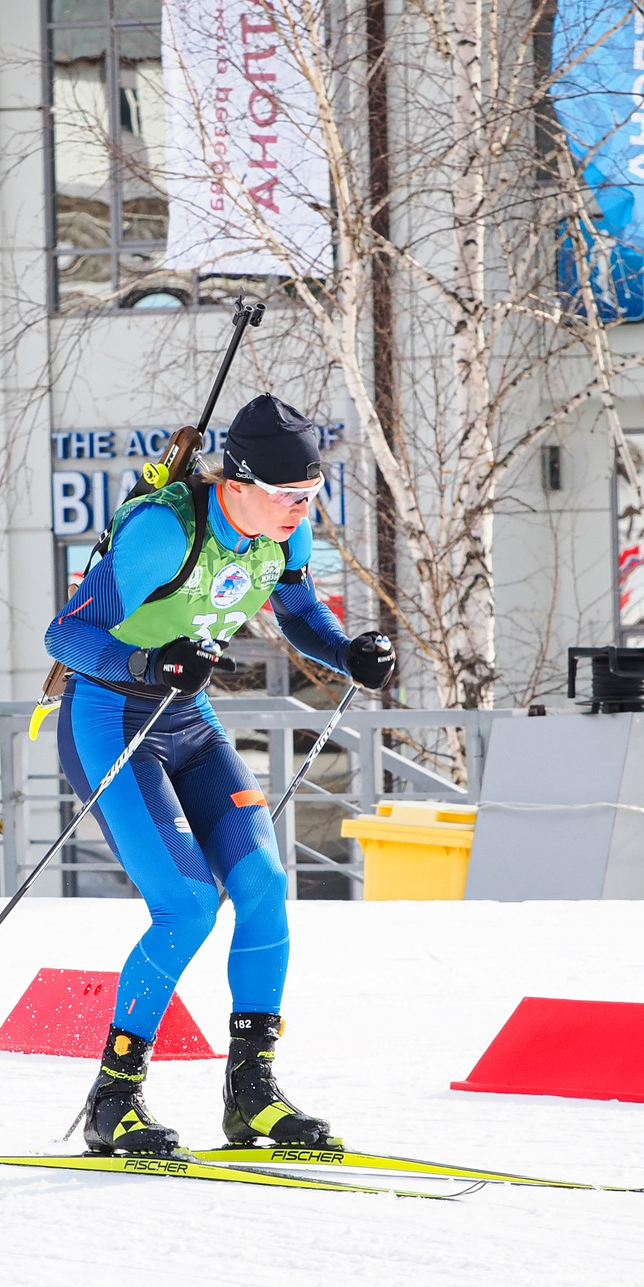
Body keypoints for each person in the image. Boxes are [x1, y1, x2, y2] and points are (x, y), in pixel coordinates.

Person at [44, 394, 397, 1155]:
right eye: (291, 497)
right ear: (236, 484)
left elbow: (300, 614)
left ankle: (252, 1095)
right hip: (110, 718)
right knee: (187, 905)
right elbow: (65, 632)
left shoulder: (281, 530)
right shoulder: (164, 534)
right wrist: (146, 661)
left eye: (312, 496)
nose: (304, 511)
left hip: (187, 721)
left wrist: (348, 654)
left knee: (265, 885)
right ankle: (114, 1098)